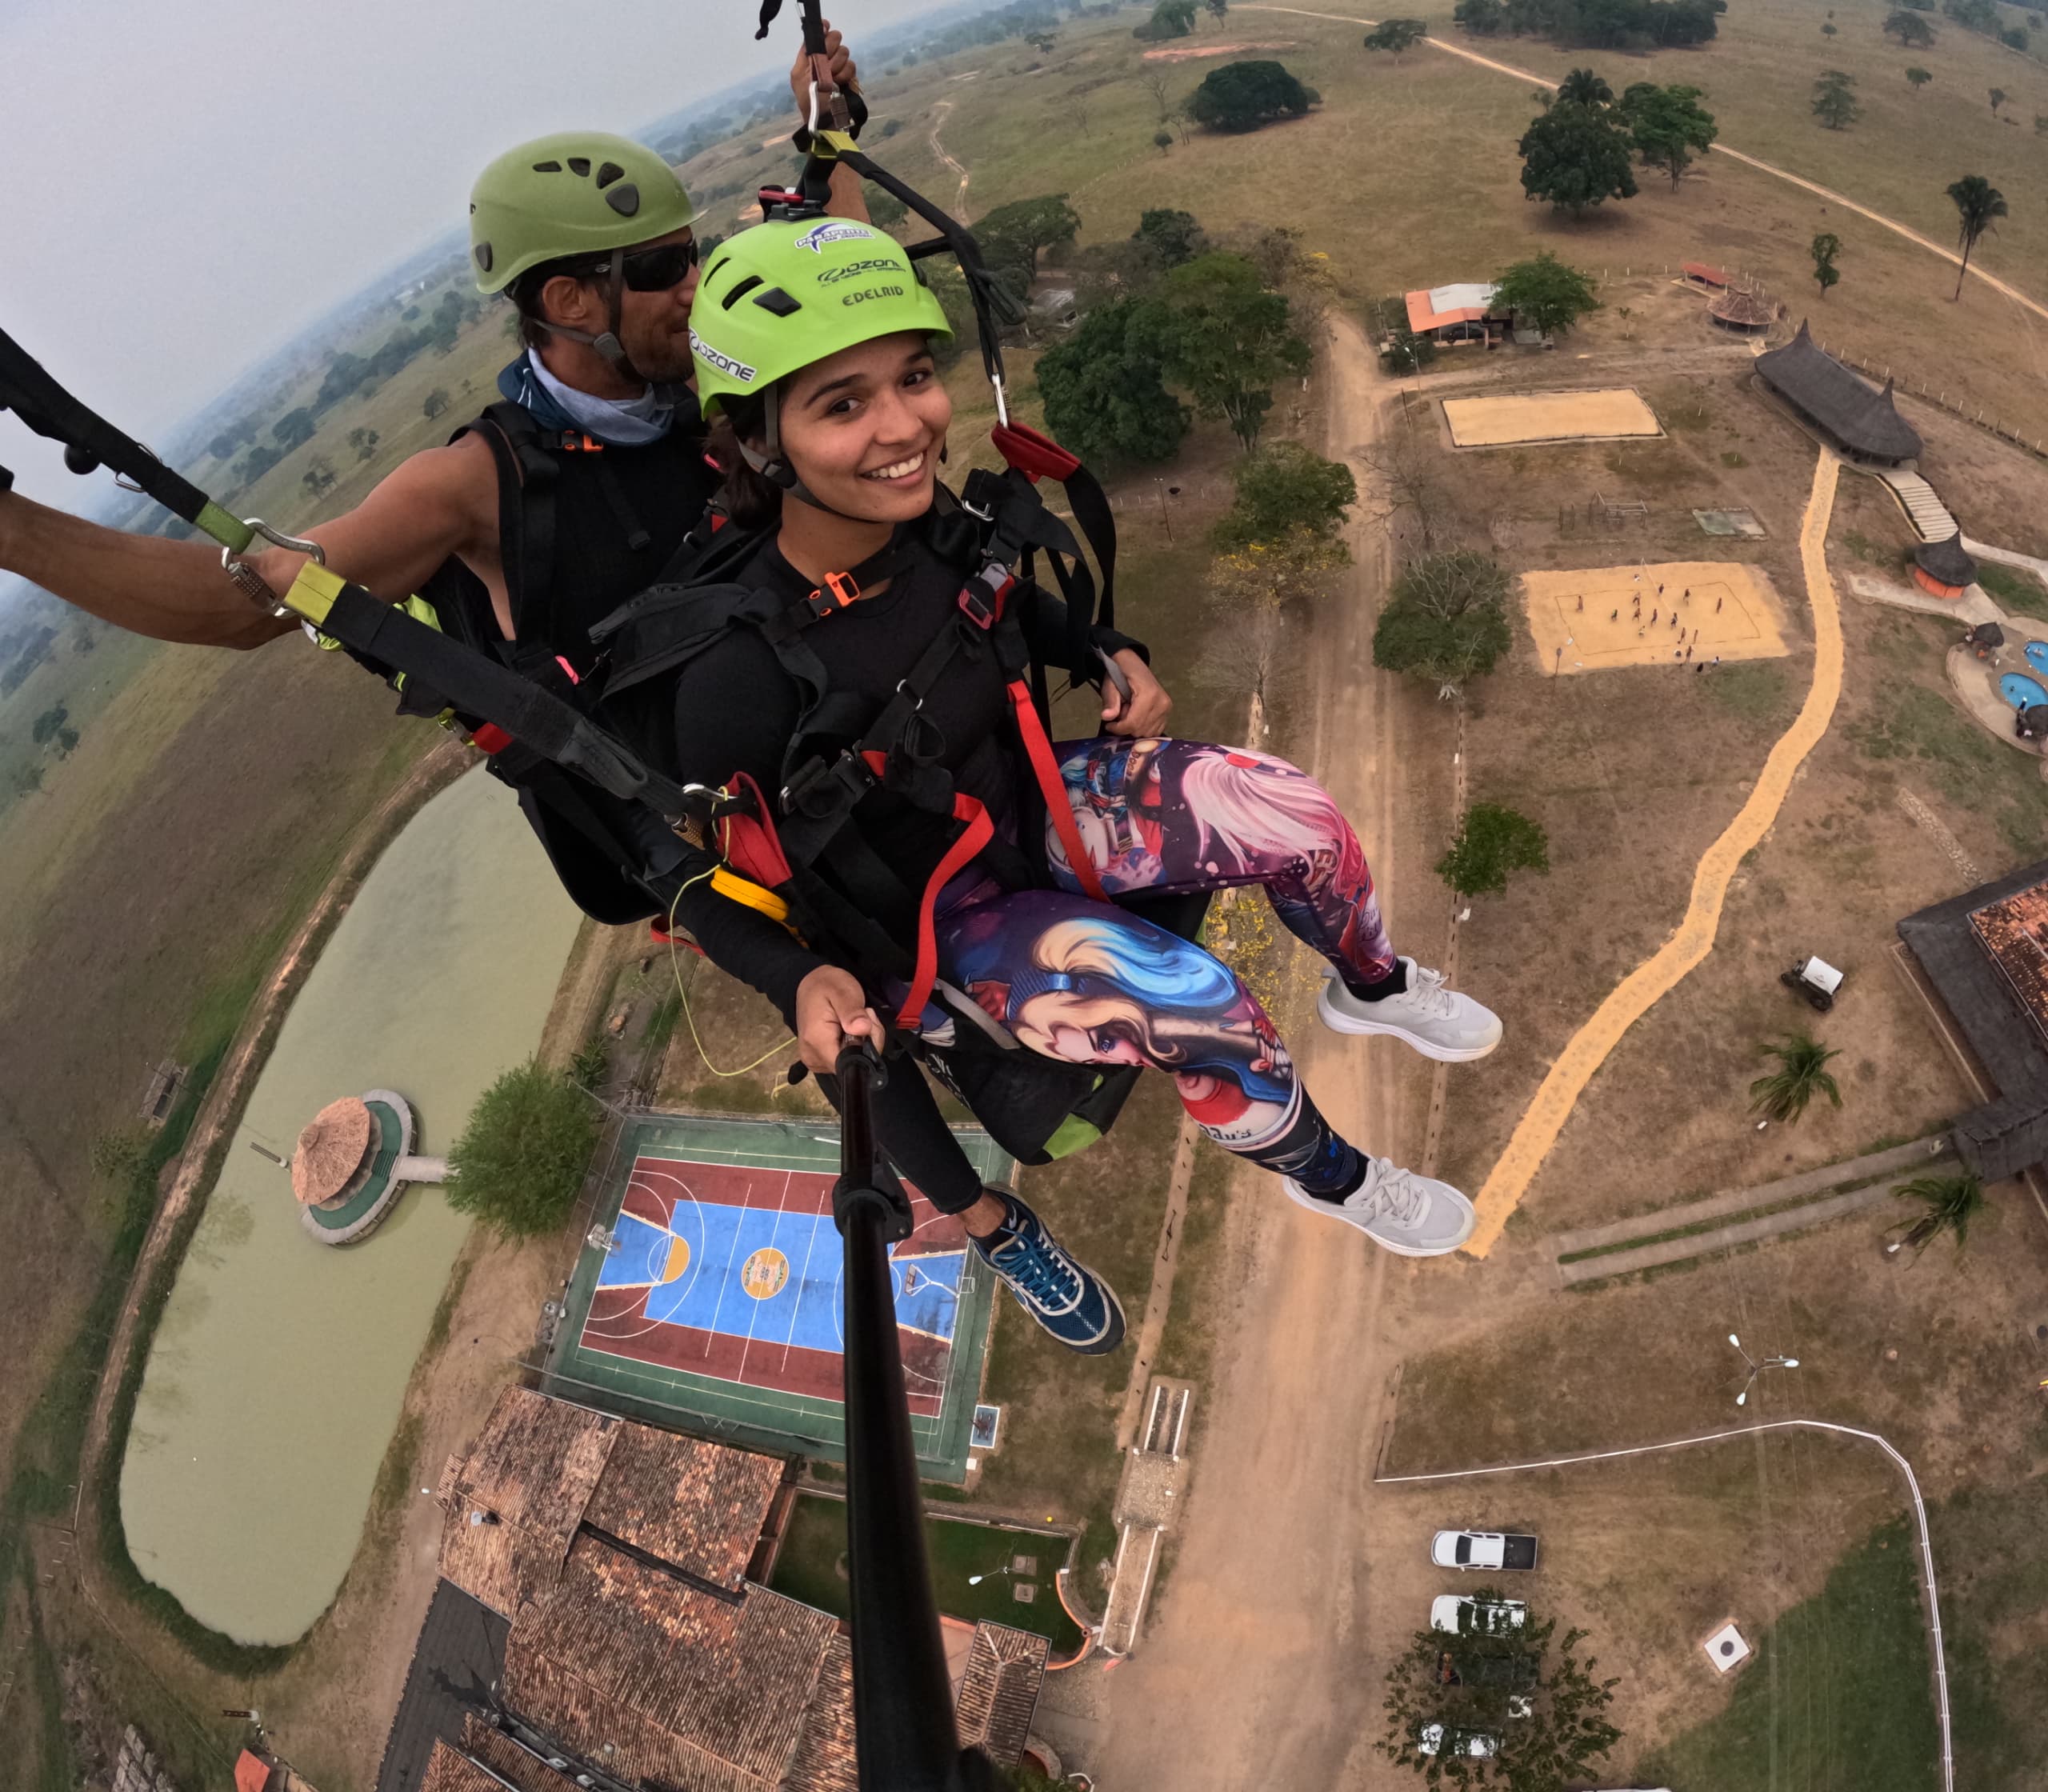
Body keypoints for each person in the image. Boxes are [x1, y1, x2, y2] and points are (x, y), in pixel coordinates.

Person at [606, 218, 1504, 1358]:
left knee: (1297, 814)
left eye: (913, 378)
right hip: (936, 923)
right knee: (1205, 1007)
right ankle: (1330, 1177)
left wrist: (1105, 650)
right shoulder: (736, 678)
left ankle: (1371, 986)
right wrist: (799, 979)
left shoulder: (925, 523)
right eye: (843, 404)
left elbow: (1004, 607)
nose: (904, 426)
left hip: (1031, 809)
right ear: (759, 439)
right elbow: (700, 881)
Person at [0, 29, 861, 665]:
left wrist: (830, 128)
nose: (694, 284)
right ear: (568, 300)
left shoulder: (706, 363)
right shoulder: (480, 484)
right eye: (663, 267)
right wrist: (13, 530)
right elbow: (249, 603)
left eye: (692, 254)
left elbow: (851, 316)